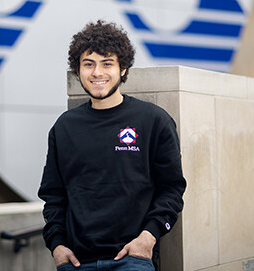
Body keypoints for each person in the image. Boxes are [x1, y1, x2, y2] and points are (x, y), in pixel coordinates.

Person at [38, 20, 186, 270]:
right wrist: (56, 245)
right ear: (78, 70)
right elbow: (53, 195)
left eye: (107, 63)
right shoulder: (64, 127)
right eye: (89, 64)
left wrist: (148, 237)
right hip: (75, 262)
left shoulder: (153, 121)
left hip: (132, 259)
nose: (97, 73)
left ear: (123, 69)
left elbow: (172, 189)